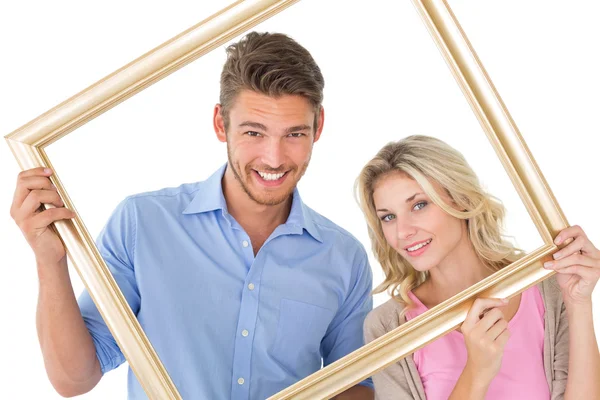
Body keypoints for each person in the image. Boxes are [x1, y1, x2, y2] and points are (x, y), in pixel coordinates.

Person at [9, 32, 374, 399]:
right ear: (220, 124)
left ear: (319, 127)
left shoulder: (345, 258)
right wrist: (50, 261)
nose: (274, 158)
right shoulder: (142, 224)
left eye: (294, 134)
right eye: (254, 132)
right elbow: (74, 379)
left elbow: (359, 387)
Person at [356, 135, 600, 399]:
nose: (402, 232)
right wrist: (478, 370)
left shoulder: (544, 286)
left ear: (459, 198)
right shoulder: (388, 326)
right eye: (388, 217)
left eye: (419, 205)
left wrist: (579, 304)